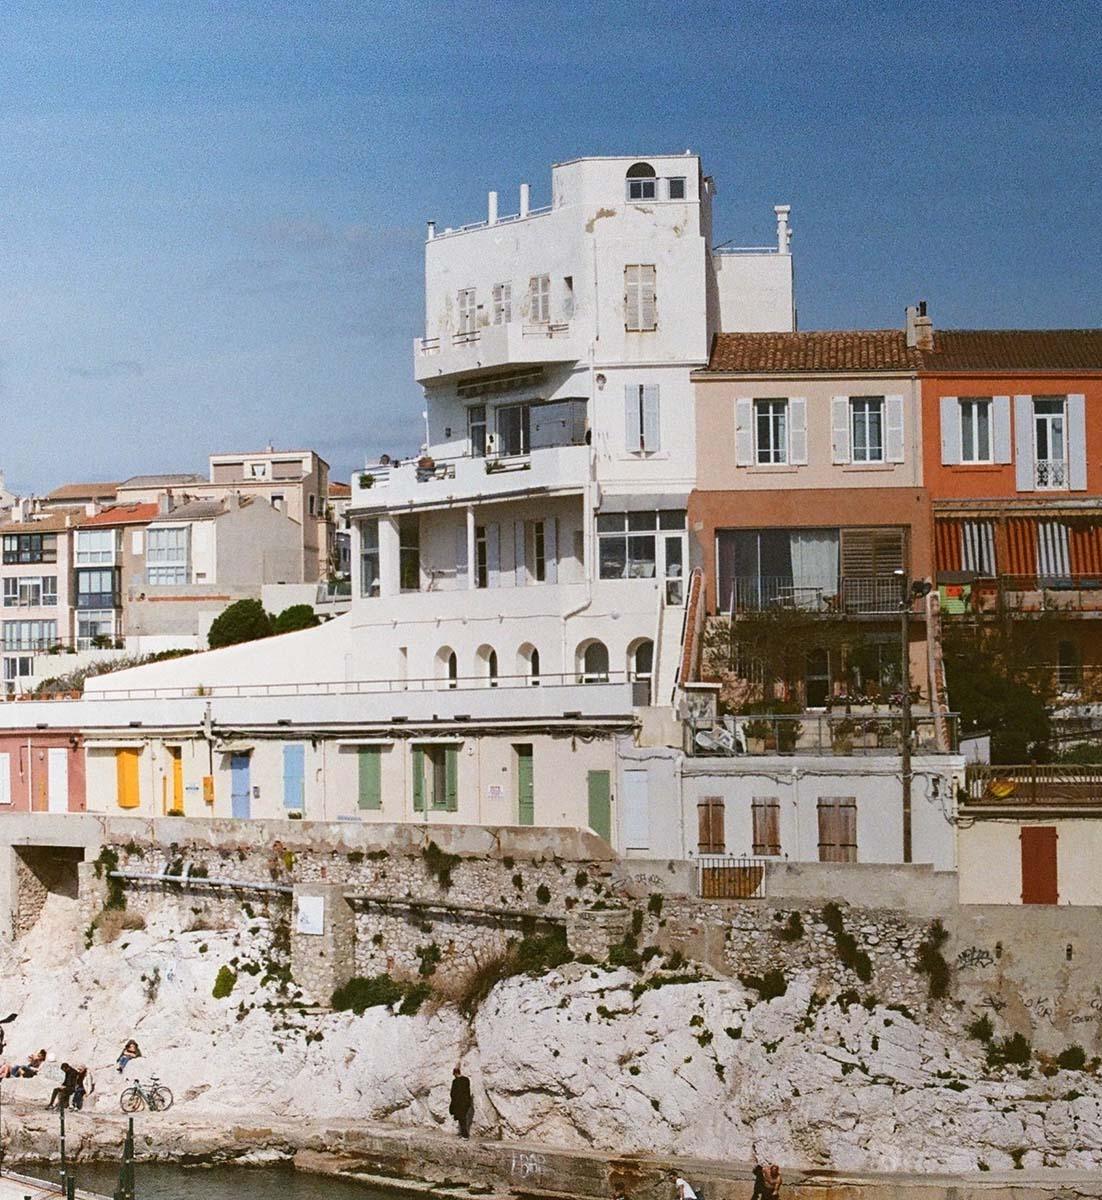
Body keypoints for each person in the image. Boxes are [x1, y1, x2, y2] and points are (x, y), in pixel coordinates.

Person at [448, 1065, 473, 1138]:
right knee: (463, 1118)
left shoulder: (455, 1081)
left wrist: (453, 1104)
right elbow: (467, 1091)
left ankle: (465, 1136)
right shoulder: (466, 1080)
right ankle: (463, 1134)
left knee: (461, 1119)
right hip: (466, 1102)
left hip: (458, 1103)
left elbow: (452, 1094)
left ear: (455, 1074)